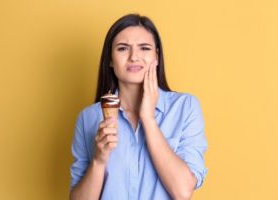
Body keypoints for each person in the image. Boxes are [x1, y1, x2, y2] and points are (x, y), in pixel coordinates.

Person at [70, 14, 207, 200]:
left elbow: (183, 192)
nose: (134, 57)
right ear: (110, 59)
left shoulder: (185, 108)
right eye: (122, 48)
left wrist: (148, 119)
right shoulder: (89, 118)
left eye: (144, 48)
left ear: (156, 56)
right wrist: (99, 160)